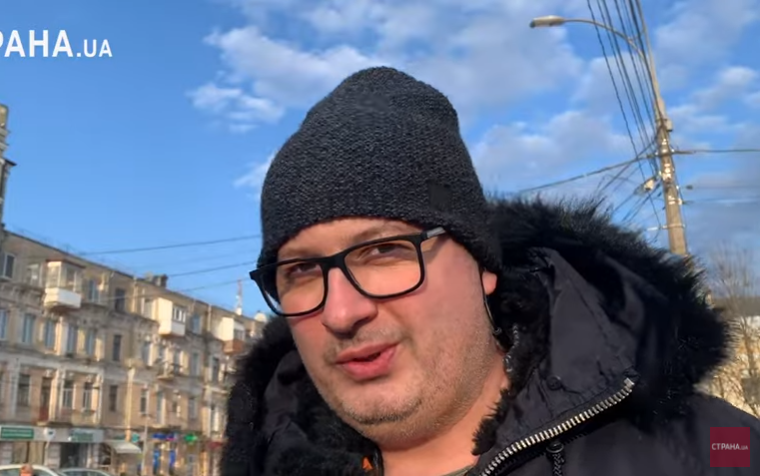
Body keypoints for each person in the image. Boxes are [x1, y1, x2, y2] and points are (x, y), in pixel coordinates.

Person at [220, 66, 760, 476]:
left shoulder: (720, 449)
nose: (341, 312)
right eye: (302, 270)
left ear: (481, 264)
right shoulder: (269, 457)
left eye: (384, 251)